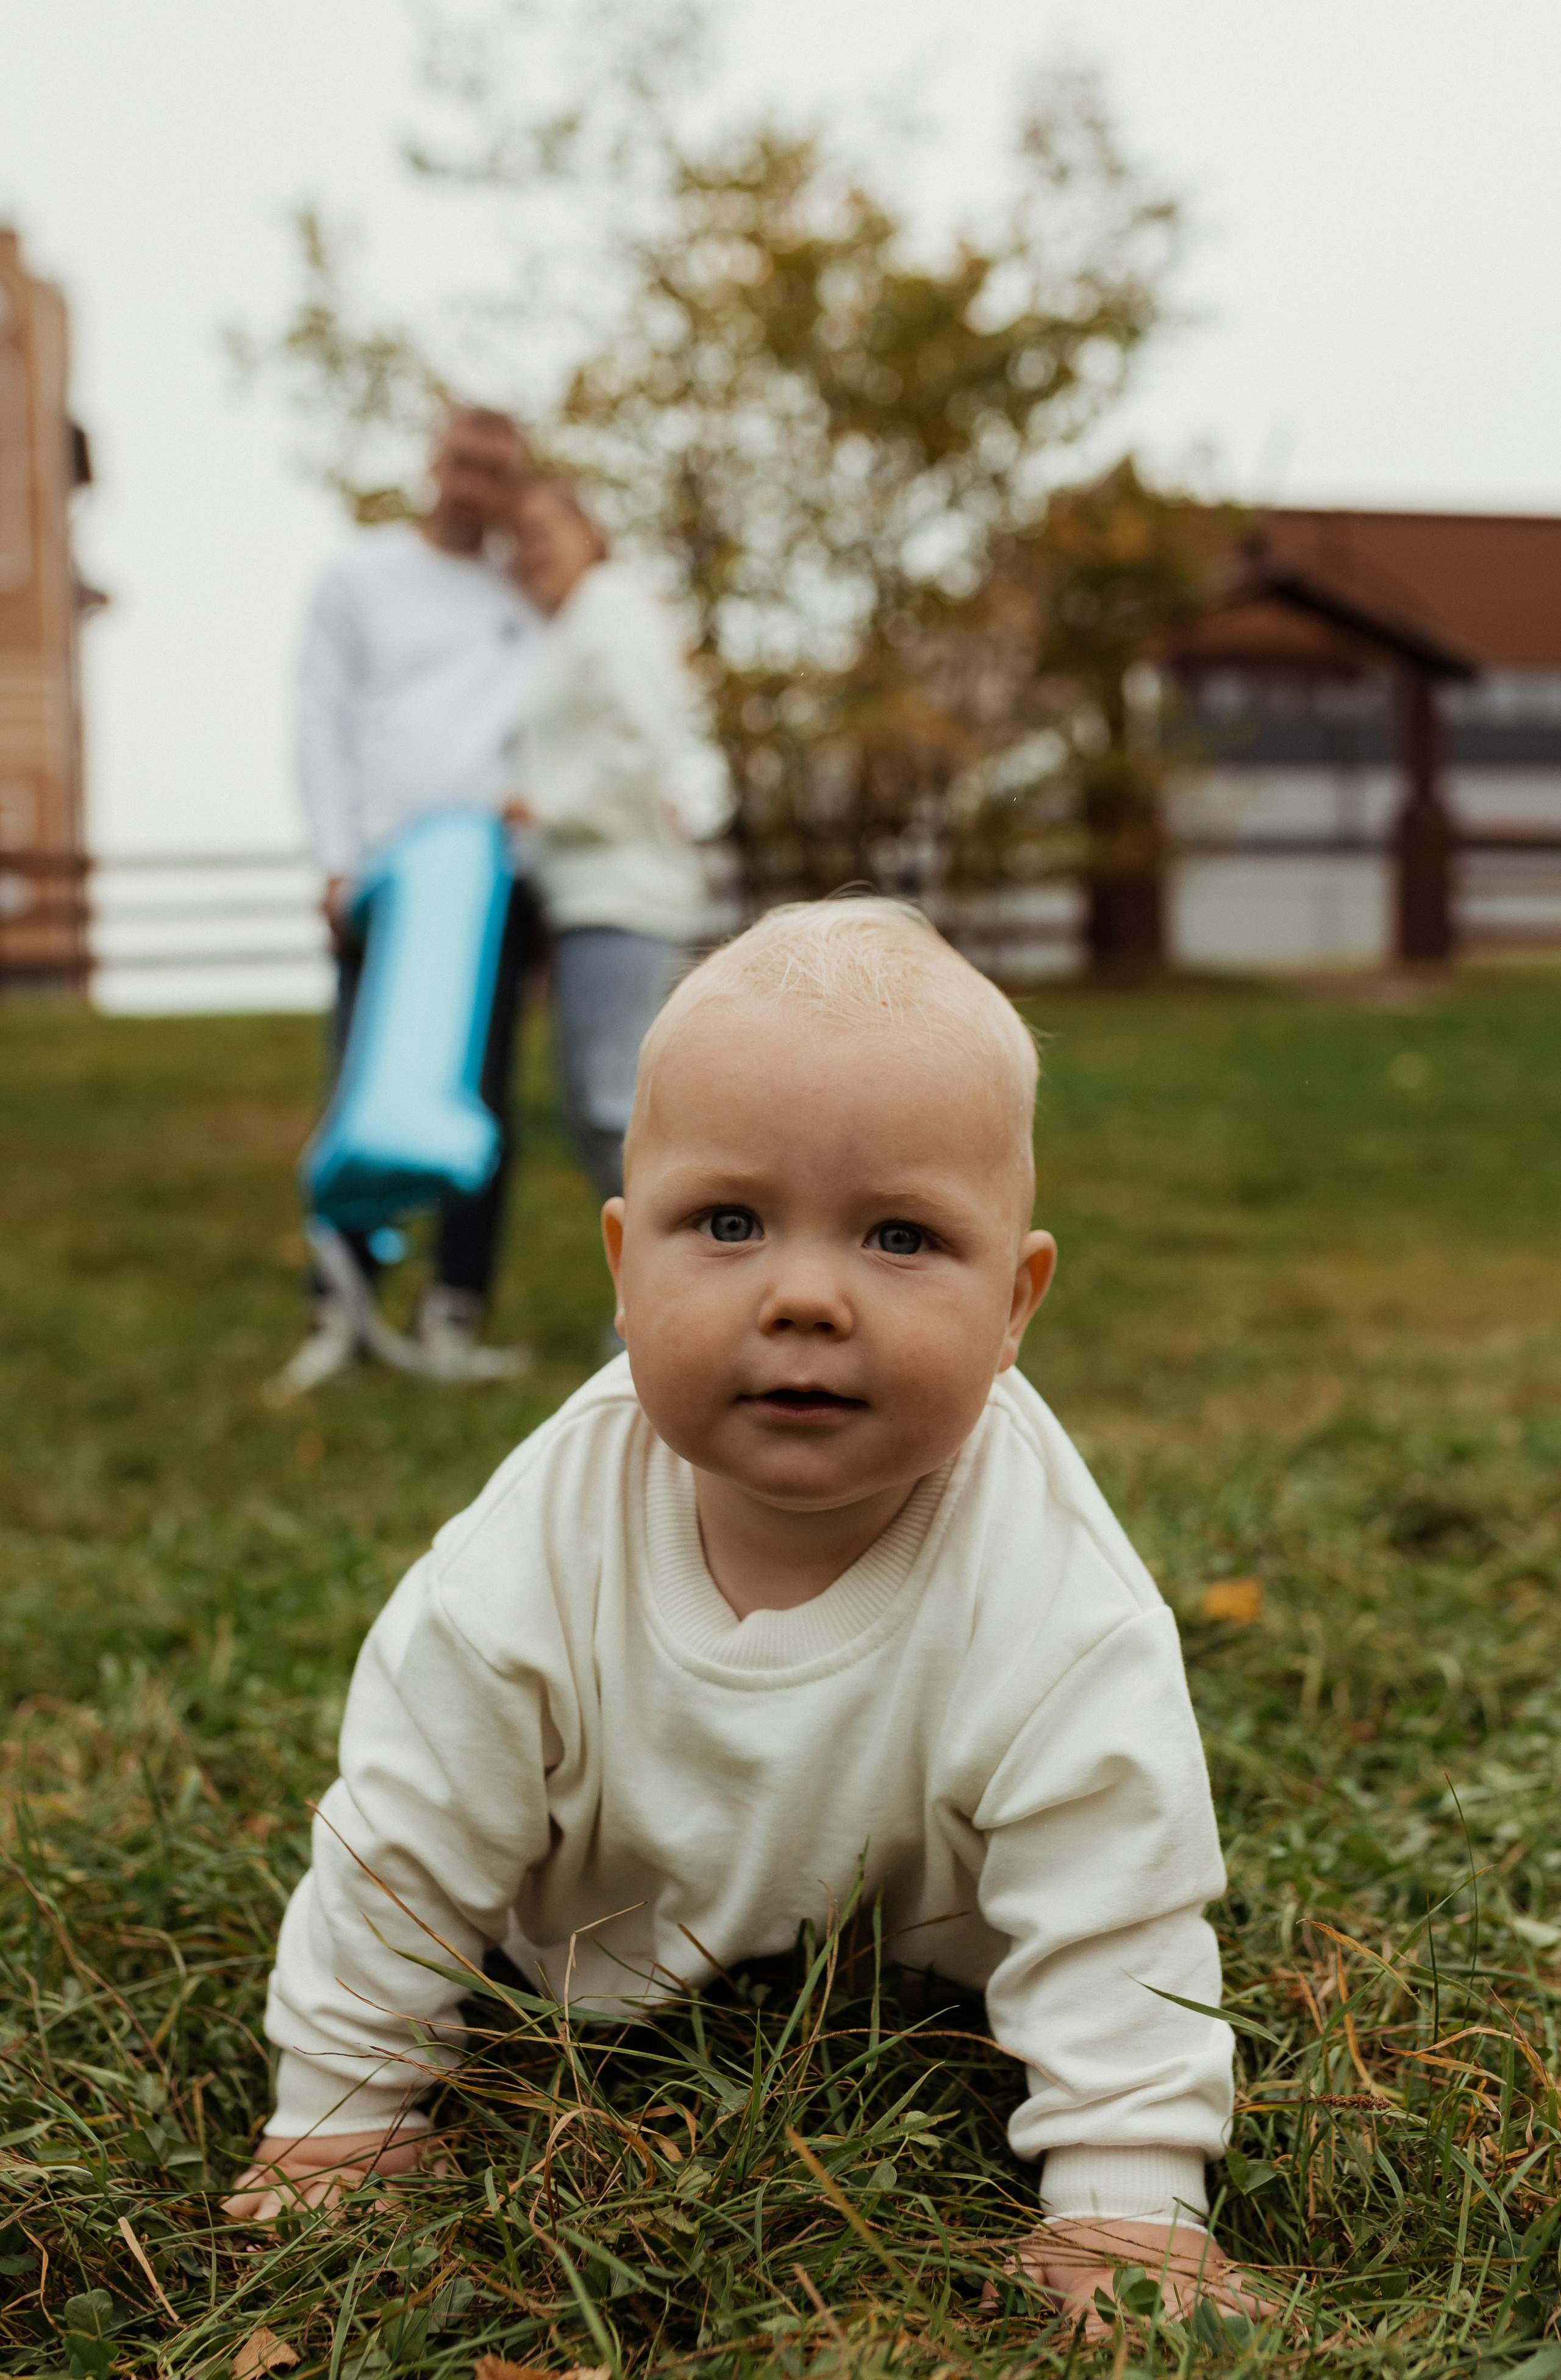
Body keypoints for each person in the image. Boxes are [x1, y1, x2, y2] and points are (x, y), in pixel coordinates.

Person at [226, 897, 1249, 2335]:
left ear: (1015, 1301)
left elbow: (1113, 1895)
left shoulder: (1055, 1589)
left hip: (922, 1948)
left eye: (898, 1234)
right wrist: (340, 2113)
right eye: (726, 1221)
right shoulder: (526, 1560)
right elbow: (402, 1831)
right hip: (588, 1936)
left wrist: (1123, 2206)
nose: (805, 1296)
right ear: (618, 1262)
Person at [273, 405, 546, 1400]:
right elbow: (322, 713)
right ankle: (336, 1307)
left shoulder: (525, 593)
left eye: (498, 471)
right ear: (434, 463)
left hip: (498, 877)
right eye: (464, 463)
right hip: (388, 878)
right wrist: (337, 857)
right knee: (361, 1081)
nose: (476, 485)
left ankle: (454, 1308)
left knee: (486, 1096)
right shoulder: (361, 580)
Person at [505, 472, 730, 1210]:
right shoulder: (577, 622)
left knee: (612, 1106)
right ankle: (663, 1297)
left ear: (589, 533)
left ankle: (681, 1296)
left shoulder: (608, 605)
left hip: (622, 895)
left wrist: (541, 810)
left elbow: (637, 744)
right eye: (519, 540)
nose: (529, 551)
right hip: (589, 896)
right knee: (596, 1104)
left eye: (544, 532)